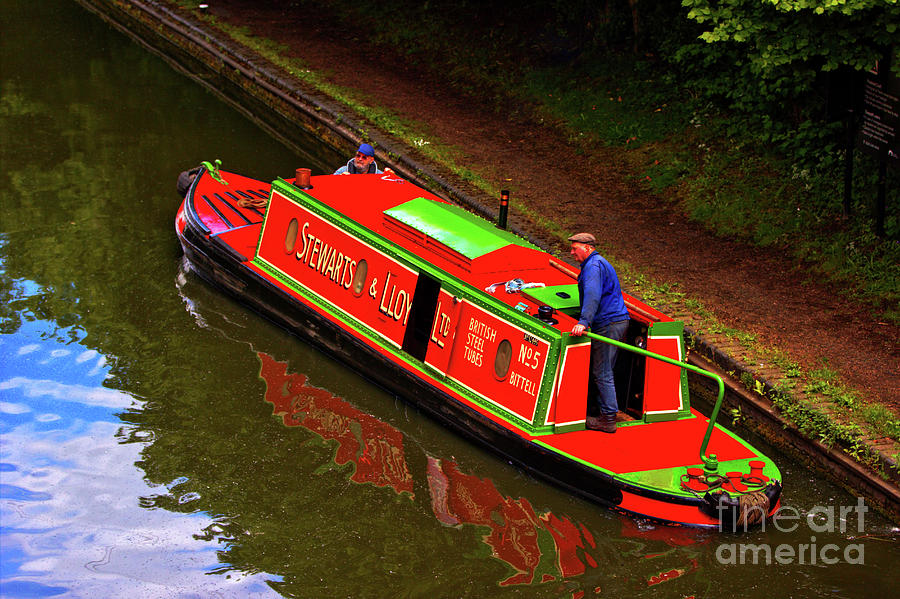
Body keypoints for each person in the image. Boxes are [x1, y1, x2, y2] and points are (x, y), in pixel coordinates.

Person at [568, 232, 630, 434]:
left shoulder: (593, 267)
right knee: (605, 369)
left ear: (587, 248)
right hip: (615, 320)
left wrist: (583, 322)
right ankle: (602, 409)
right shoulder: (597, 263)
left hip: (609, 323)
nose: (572, 252)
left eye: (575, 248)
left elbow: (593, 295)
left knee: (602, 371)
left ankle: (608, 418)